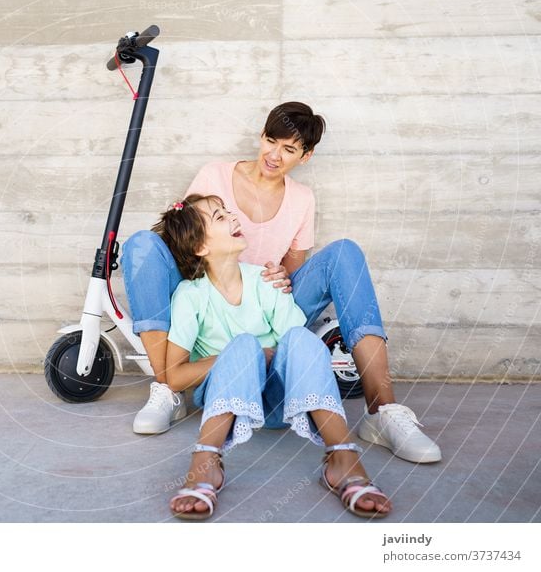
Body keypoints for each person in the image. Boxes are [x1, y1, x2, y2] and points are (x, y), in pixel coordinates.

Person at [121, 102, 441, 464]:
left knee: (344, 254)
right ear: (261, 137)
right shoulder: (214, 177)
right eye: (270, 141)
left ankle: (383, 413)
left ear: (306, 156)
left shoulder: (302, 199)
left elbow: (291, 272)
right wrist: (213, 285)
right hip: (213, 295)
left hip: (268, 305)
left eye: (289, 149)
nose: (274, 155)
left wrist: (275, 277)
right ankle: (168, 387)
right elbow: (188, 238)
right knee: (142, 245)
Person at [156, 194, 391, 519]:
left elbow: (299, 350)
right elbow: (175, 375)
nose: (232, 217)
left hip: (282, 403)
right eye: (219, 217)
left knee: (301, 338)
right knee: (242, 346)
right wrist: (243, 355)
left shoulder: (264, 281)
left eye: (227, 210)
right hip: (225, 400)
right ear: (200, 248)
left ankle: (342, 457)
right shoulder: (190, 296)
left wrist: (268, 356)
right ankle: (206, 462)